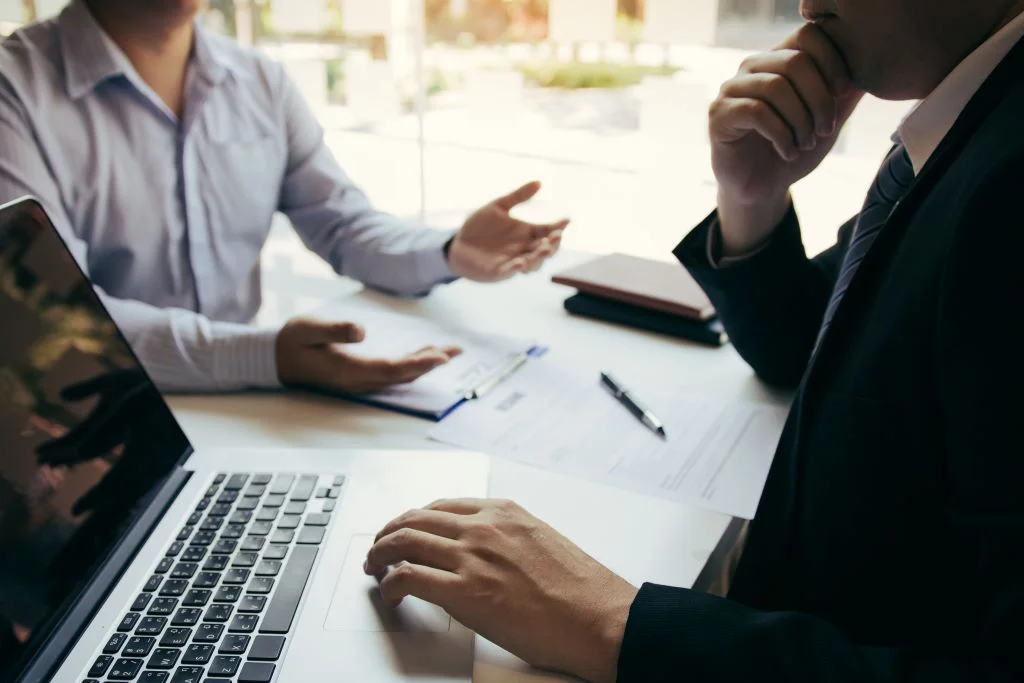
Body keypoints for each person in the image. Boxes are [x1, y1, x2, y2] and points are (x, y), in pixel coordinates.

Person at [362, 1, 1024, 682]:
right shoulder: (973, 124)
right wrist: (750, 197)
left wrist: (614, 622)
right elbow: (810, 349)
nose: (802, 5)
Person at [0, 0, 568, 394]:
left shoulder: (259, 82)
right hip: (98, 418)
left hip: (253, 401)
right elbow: (54, 317)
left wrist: (449, 251)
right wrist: (260, 356)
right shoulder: (15, 91)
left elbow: (343, 225)